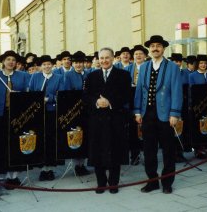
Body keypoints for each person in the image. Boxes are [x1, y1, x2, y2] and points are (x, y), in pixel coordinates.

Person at [134, 35, 182, 194]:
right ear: (149, 48)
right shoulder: (144, 67)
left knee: (168, 149)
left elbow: (176, 91)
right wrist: (137, 111)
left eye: (158, 46)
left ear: (163, 48)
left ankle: (167, 182)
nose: (155, 48)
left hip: (166, 114)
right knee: (149, 149)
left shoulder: (172, 67)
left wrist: (175, 113)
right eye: (152, 46)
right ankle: (152, 181)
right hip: (147, 114)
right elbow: (139, 90)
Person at [83, 47, 131, 194]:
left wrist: (110, 102)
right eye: (101, 58)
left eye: (107, 58)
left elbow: (127, 95)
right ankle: (101, 182)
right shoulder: (92, 76)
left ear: (113, 58)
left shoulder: (123, 75)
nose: (104, 60)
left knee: (115, 151)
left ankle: (113, 182)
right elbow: (85, 96)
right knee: (98, 151)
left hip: (115, 119)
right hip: (97, 120)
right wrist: (97, 102)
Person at [0, 50, 29, 188]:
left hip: (17, 115)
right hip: (1, 115)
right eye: (8, 59)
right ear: (3, 62)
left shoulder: (23, 76)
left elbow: (27, 93)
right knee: (1, 145)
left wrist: (21, 96)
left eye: (13, 60)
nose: (11, 62)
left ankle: (14, 177)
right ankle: (3, 174)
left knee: (16, 145)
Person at [29, 55, 65, 181]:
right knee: (40, 140)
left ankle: (50, 169)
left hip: (52, 112)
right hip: (38, 113)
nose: (46, 66)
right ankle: (42, 169)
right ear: (40, 66)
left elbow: (61, 95)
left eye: (49, 64)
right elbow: (31, 93)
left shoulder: (59, 78)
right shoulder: (35, 77)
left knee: (51, 140)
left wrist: (49, 99)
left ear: (53, 65)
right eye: (44, 64)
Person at [63, 51, 91, 176]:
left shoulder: (89, 74)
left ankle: (83, 164)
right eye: (76, 63)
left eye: (80, 62)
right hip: (75, 110)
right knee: (76, 134)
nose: (78, 65)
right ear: (72, 64)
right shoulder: (68, 75)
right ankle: (76, 165)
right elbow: (67, 94)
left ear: (84, 63)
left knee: (86, 136)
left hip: (88, 110)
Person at [188, 54, 207, 158]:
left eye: (205, 63)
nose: (203, 65)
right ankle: (199, 149)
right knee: (199, 126)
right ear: (197, 64)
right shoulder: (192, 76)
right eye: (201, 63)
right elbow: (191, 90)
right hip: (198, 105)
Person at [125, 45, 148, 165]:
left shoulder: (149, 67)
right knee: (133, 129)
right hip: (132, 101)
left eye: (141, 54)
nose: (138, 56)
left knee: (147, 129)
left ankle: (148, 155)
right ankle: (134, 156)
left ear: (145, 56)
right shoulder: (128, 68)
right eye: (136, 54)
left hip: (146, 101)